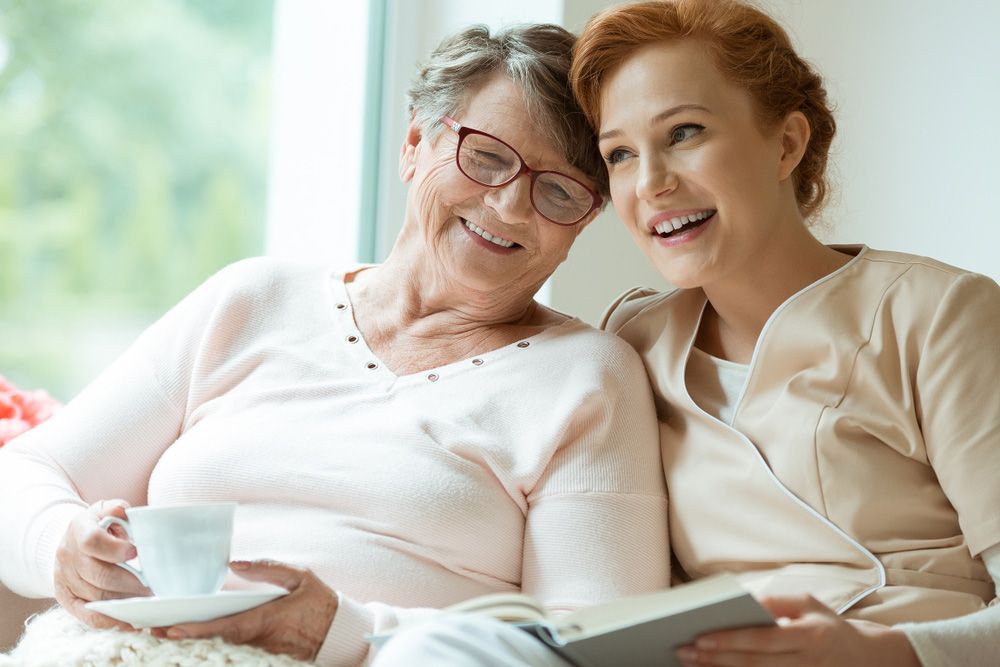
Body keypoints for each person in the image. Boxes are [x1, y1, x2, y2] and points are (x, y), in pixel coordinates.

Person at [0, 24, 671, 666]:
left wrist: (339, 630)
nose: (509, 207)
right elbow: (25, 473)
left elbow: (598, 644)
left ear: (585, 220)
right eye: (487, 157)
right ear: (414, 142)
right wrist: (63, 545)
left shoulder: (588, 379)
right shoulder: (251, 301)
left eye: (558, 191)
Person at [372, 1, 1000, 665]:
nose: (652, 184)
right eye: (619, 154)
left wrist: (886, 652)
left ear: (787, 142)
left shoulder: (939, 316)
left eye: (684, 133)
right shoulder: (635, 341)